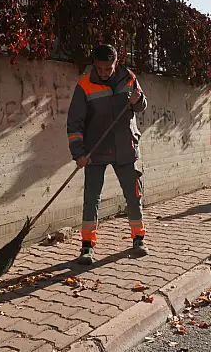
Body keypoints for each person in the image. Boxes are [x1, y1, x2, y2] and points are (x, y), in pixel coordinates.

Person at [66, 44, 148, 265]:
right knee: (91, 198)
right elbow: (75, 123)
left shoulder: (129, 78)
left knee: (133, 194)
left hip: (126, 147)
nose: (104, 73)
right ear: (95, 64)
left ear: (116, 62)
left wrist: (137, 101)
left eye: (108, 68)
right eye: (100, 69)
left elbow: (142, 106)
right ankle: (87, 246)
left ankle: (138, 238)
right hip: (96, 149)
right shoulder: (84, 86)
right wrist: (79, 153)